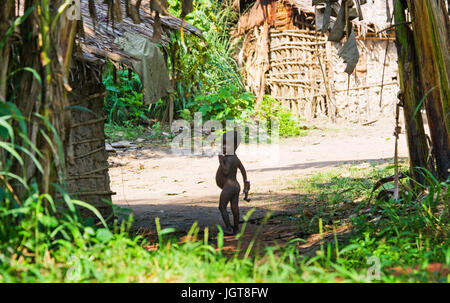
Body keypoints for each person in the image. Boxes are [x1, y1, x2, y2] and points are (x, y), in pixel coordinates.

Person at [215, 130, 250, 235]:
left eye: (227, 145)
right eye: (223, 144)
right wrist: (245, 182)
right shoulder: (236, 158)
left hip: (229, 187)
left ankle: (228, 228)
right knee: (234, 208)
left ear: (235, 147)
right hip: (236, 186)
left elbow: (225, 171)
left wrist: (220, 160)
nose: (223, 147)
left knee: (222, 207)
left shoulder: (228, 159)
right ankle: (236, 228)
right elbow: (243, 170)